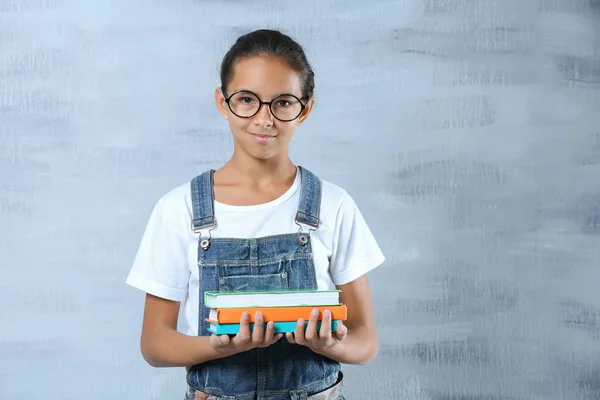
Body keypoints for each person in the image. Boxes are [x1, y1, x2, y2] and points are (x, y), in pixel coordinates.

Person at [126, 29, 386, 400]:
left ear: (305, 107)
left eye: (282, 102)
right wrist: (220, 347)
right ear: (222, 102)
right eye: (247, 100)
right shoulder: (178, 209)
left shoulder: (334, 204)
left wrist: (326, 345)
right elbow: (154, 343)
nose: (264, 118)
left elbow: (365, 343)